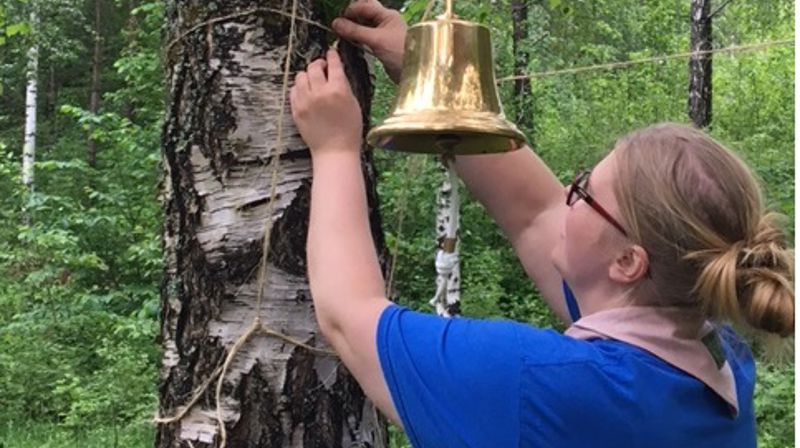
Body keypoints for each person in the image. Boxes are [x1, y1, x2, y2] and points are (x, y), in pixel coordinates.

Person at [288, 1, 794, 446]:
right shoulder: (717, 354)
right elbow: (535, 214)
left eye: (585, 191)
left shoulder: (541, 384)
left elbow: (349, 314)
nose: (568, 194)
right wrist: (432, 79)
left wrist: (334, 148)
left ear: (627, 262)